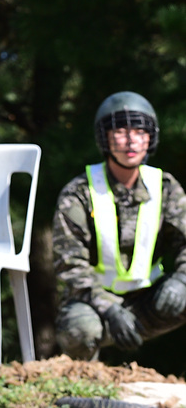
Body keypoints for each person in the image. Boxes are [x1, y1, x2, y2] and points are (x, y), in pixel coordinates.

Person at [53, 91, 186, 359]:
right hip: (95, 305)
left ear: (150, 137)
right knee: (81, 330)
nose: (131, 140)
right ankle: (82, 383)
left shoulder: (165, 187)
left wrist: (182, 279)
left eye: (139, 130)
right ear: (105, 137)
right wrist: (110, 307)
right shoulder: (79, 193)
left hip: (149, 303)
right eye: (121, 131)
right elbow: (69, 265)